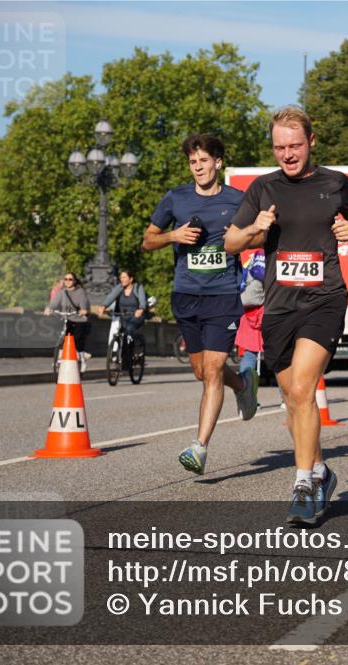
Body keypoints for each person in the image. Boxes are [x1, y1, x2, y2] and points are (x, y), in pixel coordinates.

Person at [225, 105, 348, 525]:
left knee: (305, 388)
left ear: (311, 143)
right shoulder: (263, 188)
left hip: (325, 298)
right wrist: (256, 230)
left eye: (295, 146)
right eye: (279, 147)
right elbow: (232, 241)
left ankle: (303, 483)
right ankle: (322, 471)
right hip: (280, 306)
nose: (287, 154)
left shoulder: (335, 182)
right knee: (293, 402)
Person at [142, 132, 255, 476]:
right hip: (186, 295)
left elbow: (260, 235)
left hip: (222, 296)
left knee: (212, 370)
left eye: (204, 161)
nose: (198, 167)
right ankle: (243, 385)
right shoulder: (176, 199)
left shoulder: (238, 199)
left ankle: (199, 447)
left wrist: (246, 237)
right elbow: (147, 241)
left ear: (218, 162)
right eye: (193, 162)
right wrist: (173, 236)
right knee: (201, 371)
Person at [235, 248, 266, 419]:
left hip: (247, 314)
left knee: (249, 355)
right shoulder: (269, 259)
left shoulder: (250, 263)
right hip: (264, 312)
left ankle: (246, 396)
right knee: (279, 355)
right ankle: (286, 399)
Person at [45, 272, 91, 372]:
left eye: (70, 279)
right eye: (65, 279)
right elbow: (53, 304)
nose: (67, 281)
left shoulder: (80, 292)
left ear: (74, 281)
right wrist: (49, 309)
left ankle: (81, 358)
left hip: (79, 319)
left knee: (76, 339)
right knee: (63, 336)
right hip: (66, 318)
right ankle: (60, 357)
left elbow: (84, 305)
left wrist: (83, 310)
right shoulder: (62, 292)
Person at [100, 269, 147, 352]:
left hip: (136, 316)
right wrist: (104, 306)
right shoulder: (120, 287)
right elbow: (111, 296)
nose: (122, 279)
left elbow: (142, 300)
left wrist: (141, 309)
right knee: (119, 331)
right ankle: (116, 353)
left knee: (130, 328)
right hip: (123, 315)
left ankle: (140, 340)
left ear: (131, 279)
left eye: (124, 277)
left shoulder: (138, 287)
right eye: (121, 277)